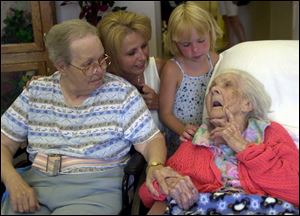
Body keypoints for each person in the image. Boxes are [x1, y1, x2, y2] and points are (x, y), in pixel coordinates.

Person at [1, 19, 169, 215]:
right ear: (61, 66)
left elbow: (151, 140)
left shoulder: (122, 93)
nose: (99, 69)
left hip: (95, 190)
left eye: (101, 59)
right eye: (88, 64)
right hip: (36, 184)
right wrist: (12, 179)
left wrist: (155, 165)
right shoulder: (37, 91)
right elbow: (4, 142)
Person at [139, 69, 299, 214]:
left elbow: (295, 190)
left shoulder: (271, 133)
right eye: (211, 88)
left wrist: (243, 147)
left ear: (247, 104)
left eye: (228, 85)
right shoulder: (194, 142)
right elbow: (147, 193)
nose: (214, 89)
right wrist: (169, 183)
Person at [159, 1, 223, 156]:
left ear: (210, 33)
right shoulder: (172, 69)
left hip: (212, 135)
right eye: (186, 44)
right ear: (175, 43)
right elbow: (165, 113)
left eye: (201, 41)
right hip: (183, 139)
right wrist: (183, 129)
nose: (195, 49)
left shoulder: (216, 60)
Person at [97, 10, 166, 132]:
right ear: (111, 56)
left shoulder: (161, 69)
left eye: (144, 46)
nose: (143, 57)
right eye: (131, 53)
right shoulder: (98, 80)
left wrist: (162, 103)